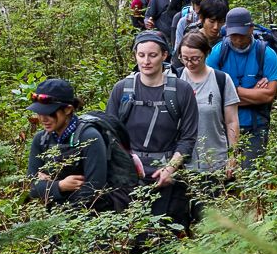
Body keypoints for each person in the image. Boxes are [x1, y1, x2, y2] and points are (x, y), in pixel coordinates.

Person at [106, 31, 198, 232]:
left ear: (164, 55)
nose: (146, 61)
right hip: (128, 175)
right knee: (131, 238)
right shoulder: (121, 90)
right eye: (141, 55)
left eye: (152, 55)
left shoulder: (181, 91)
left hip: (167, 173)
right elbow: (110, 134)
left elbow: (188, 137)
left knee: (169, 235)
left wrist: (170, 169)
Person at [177, 32, 239, 225]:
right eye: (185, 58)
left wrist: (233, 156)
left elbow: (231, 121)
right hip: (181, 165)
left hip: (214, 163)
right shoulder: (174, 79)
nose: (190, 63)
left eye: (195, 58)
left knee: (211, 221)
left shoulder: (221, 80)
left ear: (207, 54)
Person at [27, 79, 115, 212]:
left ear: (68, 109)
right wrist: (60, 186)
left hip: (92, 216)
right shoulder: (41, 139)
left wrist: (47, 186)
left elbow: (94, 188)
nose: (43, 119)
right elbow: (32, 187)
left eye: (49, 113)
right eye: (39, 113)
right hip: (52, 217)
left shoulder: (90, 137)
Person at [206, 7, 277, 166]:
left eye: (242, 34)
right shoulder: (217, 53)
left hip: (256, 125)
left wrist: (229, 94)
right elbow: (210, 94)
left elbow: (268, 95)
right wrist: (253, 93)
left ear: (251, 29)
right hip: (222, 126)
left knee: (250, 175)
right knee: (225, 177)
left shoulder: (266, 54)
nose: (238, 40)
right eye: (233, 35)